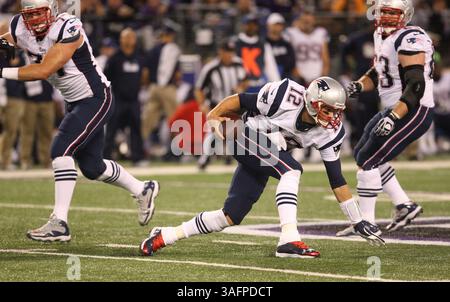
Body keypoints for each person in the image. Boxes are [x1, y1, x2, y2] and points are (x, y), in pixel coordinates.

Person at [140, 77, 384, 258]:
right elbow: (240, 100)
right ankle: (289, 239)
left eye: (336, 111)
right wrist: (214, 115)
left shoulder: (330, 132)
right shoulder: (286, 95)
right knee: (291, 169)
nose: (332, 117)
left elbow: (337, 179)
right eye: (328, 109)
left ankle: (165, 235)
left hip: (265, 152)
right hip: (242, 135)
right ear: (311, 102)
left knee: (230, 216)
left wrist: (356, 220)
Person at [0, 0, 160, 242]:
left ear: (52, 10)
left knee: (60, 149)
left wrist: (2, 71)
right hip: (74, 102)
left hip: (95, 97)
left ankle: (59, 222)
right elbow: (9, 35)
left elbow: (44, 70)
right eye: (29, 16)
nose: (34, 21)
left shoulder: (69, 27)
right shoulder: (19, 26)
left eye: (38, 14)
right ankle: (143, 189)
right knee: (92, 168)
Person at [339, 0, 435, 236]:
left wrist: (394, 116)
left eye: (393, 13)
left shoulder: (410, 36)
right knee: (364, 152)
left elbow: (415, 84)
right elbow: (379, 71)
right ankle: (405, 205)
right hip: (396, 106)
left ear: (405, 15)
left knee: (368, 159)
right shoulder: (381, 36)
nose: (388, 17)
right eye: (384, 12)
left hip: (412, 108)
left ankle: (366, 222)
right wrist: (358, 86)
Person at [196, 39, 248, 170]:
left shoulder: (239, 64)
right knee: (212, 131)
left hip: (235, 105)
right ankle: (205, 158)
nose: (230, 55)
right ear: (221, 52)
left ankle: (232, 157)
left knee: (238, 130)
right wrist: (202, 104)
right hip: (216, 105)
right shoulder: (211, 68)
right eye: (227, 52)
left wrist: (241, 88)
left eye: (231, 52)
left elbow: (246, 80)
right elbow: (198, 89)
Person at [103, 28, 145, 165]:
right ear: (121, 40)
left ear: (134, 40)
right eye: (125, 37)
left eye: (131, 37)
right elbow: (106, 79)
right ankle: (106, 158)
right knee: (111, 129)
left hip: (134, 100)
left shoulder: (139, 57)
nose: (128, 40)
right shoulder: (114, 58)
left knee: (136, 129)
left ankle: (137, 158)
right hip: (118, 99)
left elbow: (144, 76)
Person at [234, 14, 280, 93]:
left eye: (254, 25)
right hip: (240, 86)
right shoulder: (235, 43)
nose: (252, 27)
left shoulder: (263, 44)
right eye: (249, 24)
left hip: (259, 85)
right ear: (243, 25)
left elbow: (271, 67)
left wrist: (277, 86)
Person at [287, 9, 330, 85]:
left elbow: (325, 57)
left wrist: (323, 76)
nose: (306, 23)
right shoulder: (291, 33)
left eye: (309, 21)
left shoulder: (321, 32)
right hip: (298, 77)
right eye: (304, 21)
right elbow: (289, 58)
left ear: (314, 21)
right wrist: (298, 77)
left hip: (318, 76)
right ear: (299, 21)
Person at [20, 79, 55, 169]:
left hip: (47, 100)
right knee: (27, 132)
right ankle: (25, 160)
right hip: (30, 101)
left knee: (47, 133)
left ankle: (46, 161)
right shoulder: (27, 63)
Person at [265, 13, 299, 80]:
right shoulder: (263, 43)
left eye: (280, 24)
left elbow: (292, 63)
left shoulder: (286, 44)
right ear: (268, 25)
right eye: (275, 24)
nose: (277, 27)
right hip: (268, 79)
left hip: (286, 78)